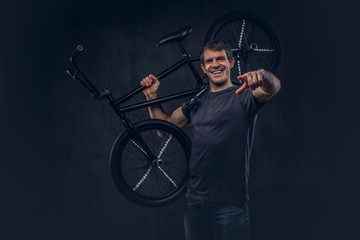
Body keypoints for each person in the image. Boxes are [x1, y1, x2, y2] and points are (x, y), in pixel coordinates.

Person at [140, 40, 280, 240]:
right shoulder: (196, 101)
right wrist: (151, 96)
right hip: (196, 202)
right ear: (203, 67)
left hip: (231, 205)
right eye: (210, 61)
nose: (216, 64)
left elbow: (271, 88)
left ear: (231, 63)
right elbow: (165, 128)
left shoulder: (243, 95)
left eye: (221, 59)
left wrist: (264, 76)